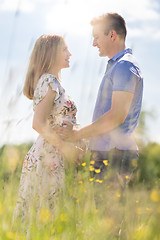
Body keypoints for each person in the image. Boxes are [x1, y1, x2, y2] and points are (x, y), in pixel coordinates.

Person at [59, 13, 143, 203]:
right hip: (108, 153)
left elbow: (116, 117)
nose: (93, 43)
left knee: (107, 222)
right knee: (99, 219)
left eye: (96, 37)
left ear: (112, 35)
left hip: (115, 154)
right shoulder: (117, 66)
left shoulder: (124, 66)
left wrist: (77, 134)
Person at [15, 34, 85, 220]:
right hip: (48, 158)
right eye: (64, 49)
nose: (69, 53)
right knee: (47, 218)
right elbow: (38, 123)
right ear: (51, 53)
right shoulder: (49, 81)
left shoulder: (53, 82)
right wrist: (66, 149)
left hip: (53, 156)